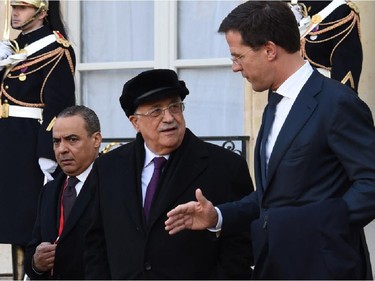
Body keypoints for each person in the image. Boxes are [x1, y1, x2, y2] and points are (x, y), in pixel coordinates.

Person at [165, 1, 375, 279]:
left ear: (269, 50)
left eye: (238, 57)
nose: (235, 68)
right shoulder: (273, 105)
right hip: (274, 266)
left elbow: (371, 183)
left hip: (326, 268)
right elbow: (271, 198)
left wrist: (321, 228)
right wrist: (218, 216)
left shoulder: (337, 103)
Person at [84, 69, 254, 279]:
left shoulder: (225, 166)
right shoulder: (107, 168)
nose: (169, 118)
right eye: (156, 111)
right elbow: (95, 245)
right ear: (135, 122)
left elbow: (240, 248)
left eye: (175, 107)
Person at [0, 0, 76, 279]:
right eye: (13, 7)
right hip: (5, 143)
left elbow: (59, 107)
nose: (15, 14)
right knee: (6, 222)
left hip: (28, 147)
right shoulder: (13, 48)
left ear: (42, 12)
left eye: (22, 8)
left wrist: (49, 153)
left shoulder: (56, 49)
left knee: (23, 225)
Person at [24, 105, 102, 279]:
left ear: (96, 139)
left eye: (72, 139)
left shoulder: (113, 184)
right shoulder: (49, 190)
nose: (62, 149)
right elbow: (33, 248)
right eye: (56, 141)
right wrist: (36, 263)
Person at [292, 0, 362, 92]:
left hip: (320, 96)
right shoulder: (293, 9)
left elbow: (344, 68)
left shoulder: (340, 11)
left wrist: (338, 103)